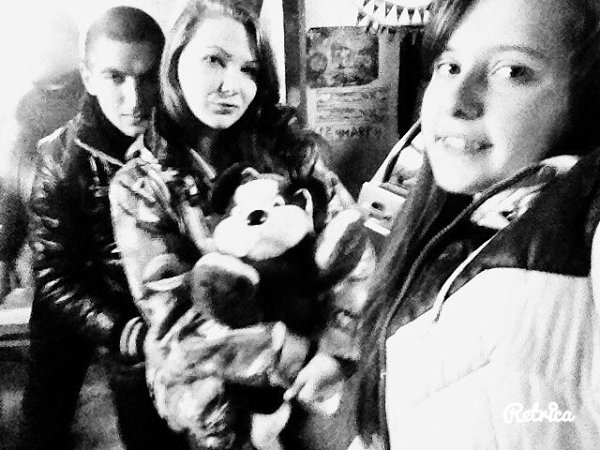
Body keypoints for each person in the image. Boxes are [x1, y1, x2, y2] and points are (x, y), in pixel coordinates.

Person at [109, 0, 374, 449]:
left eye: (249, 69)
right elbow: (176, 318)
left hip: (316, 383)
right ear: (175, 63)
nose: (232, 85)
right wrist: (289, 349)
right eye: (214, 60)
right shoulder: (142, 185)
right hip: (216, 400)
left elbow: (351, 254)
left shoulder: (291, 152)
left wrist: (337, 349)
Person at [354, 0, 600, 449]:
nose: (457, 101)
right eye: (449, 66)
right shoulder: (453, 222)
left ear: (585, 99)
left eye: (512, 71)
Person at [21, 7, 189, 450]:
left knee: (153, 432)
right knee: (45, 417)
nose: (134, 99)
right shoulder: (61, 158)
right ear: (89, 77)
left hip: (145, 305)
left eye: (147, 78)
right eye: (115, 77)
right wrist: (125, 331)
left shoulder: (185, 143)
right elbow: (55, 275)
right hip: (75, 296)